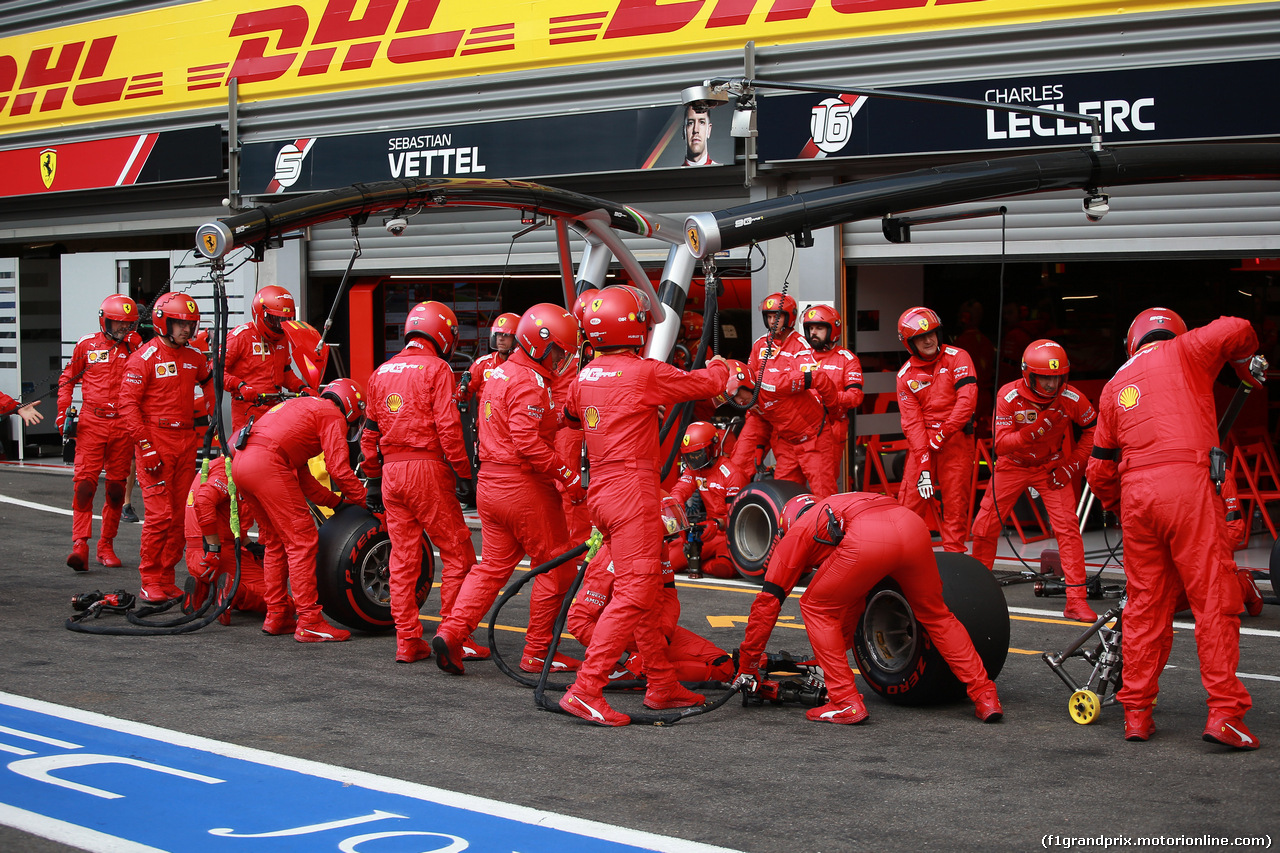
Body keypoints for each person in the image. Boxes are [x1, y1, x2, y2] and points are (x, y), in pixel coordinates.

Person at [1086, 307, 1264, 749]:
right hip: (1188, 486)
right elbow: (1238, 328)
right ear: (1173, 331)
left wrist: (1121, 506)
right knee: (1213, 601)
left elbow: (1098, 472)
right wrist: (1244, 366)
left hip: (1137, 499)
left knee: (1145, 610)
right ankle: (1225, 712)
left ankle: (1136, 715)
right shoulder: (1186, 350)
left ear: (1133, 341)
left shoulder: (1112, 388)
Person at [558, 285, 730, 726]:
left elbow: (572, 419)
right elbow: (705, 384)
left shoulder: (584, 376)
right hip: (634, 494)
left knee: (646, 592)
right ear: (633, 325)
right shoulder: (643, 373)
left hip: (603, 492)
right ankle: (586, 689)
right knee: (636, 594)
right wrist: (725, 367)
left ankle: (661, 682)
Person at [733, 493, 1003, 725]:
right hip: (910, 523)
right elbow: (853, 602)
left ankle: (844, 700)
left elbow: (766, 607)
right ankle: (985, 695)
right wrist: (825, 661)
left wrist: (748, 664)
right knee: (937, 614)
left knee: (816, 607)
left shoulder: (796, 533)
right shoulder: (833, 504)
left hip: (868, 535)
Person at [432, 304, 586, 676]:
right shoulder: (530, 382)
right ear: (540, 345)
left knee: (492, 569)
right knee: (556, 565)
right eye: (559, 351)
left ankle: (451, 631)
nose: (561, 358)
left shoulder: (498, 373)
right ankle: (537, 652)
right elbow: (528, 443)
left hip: (491, 486)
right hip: (523, 488)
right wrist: (569, 476)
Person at [361, 301, 478, 663]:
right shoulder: (438, 369)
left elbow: (369, 433)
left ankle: (407, 641)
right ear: (441, 332)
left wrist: (373, 479)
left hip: (391, 474)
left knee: (403, 558)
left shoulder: (380, 372)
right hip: (426, 469)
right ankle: (453, 634)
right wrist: (464, 474)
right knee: (459, 553)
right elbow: (448, 428)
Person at [970, 339, 1098, 623]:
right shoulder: (1008, 395)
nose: (1052, 385)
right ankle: (976, 594)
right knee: (984, 527)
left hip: (1050, 467)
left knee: (1068, 529)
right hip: (1012, 465)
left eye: (1056, 378)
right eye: (1045, 378)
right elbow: (1000, 446)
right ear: (1029, 374)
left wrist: (1071, 466)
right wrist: (1036, 430)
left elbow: (1094, 430)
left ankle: (1076, 600)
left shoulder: (1072, 397)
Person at [231, 379, 368, 642]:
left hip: (243, 462)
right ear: (351, 405)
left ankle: (278, 614)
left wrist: (337, 503)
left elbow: (304, 477)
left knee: (274, 542)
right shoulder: (332, 415)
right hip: (268, 463)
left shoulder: (303, 407)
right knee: (302, 540)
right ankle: (309, 620)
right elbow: (339, 470)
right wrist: (365, 500)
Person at [568, 496, 734, 684]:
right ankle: (622, 669)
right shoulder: (609, 558)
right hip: (624, 639)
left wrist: (664, 634)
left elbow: (669, 594)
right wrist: (625, 657)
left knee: (722, 662)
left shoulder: (659, 546)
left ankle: (638, 670)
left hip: (653, 630)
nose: (669, 538)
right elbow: (578, 621)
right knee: (720, 672)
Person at [118, 292, 212, 603]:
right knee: (159, 516)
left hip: (186, 443)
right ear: (163, 322)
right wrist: (144, 445)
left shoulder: (194, 356)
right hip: (155, 442)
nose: (186, 330)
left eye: (189, 324)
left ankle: (167, 576)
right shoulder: (144, 358)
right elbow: (127, 405)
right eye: (179, 324)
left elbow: (209, 379)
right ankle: (149, 578)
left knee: (179, 516)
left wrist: (215, 412)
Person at [56, 294, 142, 571]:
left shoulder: (136, 345)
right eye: (118, 323)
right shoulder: (87, 344)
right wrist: (62, 412)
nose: (123, 329)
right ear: (105, 320)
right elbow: (67, 379)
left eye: (128, 324)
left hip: (123, 425)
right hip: (92, 423)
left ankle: (106, 545)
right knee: (84, 486)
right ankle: (79, 544)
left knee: (117, 490)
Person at [736, 292, 838, 497]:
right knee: (739, 466)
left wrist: (832, 411)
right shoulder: (759, 345)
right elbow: (748, 378)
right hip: (764, 414)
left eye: (778, 316)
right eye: (770, 316)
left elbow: (811, 382)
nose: (773, 321)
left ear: (789, 317)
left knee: (822, 490)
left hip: (797, 420)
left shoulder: (801, 345)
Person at [895, 306, 978, 553]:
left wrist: (943, 434)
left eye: (931, 333)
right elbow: (912, 423)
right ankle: (905, 560)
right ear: (911, 343)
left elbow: (967, 402)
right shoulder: (904, 375)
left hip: (955, 439)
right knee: (909, 506)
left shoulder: (958, 356)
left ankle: (955, 564)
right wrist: (923, 465)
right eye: (920, 337)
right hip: (923, 444)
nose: (928, 339)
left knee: (955, 506)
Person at [183, 457, 269, 624]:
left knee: (255, 565)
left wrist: (249, 546)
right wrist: (214, 549)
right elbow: (204, 500)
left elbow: (228, 517)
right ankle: (233, 593)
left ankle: (202, 589)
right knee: (280, 601)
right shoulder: (227, 470)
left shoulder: (216, 465)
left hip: (200, 556)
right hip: (217, 555)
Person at [224, 285, 310, 433]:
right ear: (260, 314)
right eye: (275, 320)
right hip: (247, 413)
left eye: (284, 321)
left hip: (274, 411)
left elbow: (285, 372)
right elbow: (215, 369)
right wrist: (240, 385)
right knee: (248, 455)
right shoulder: (240, 336)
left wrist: (303, 388)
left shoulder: (282, 339)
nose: (279, 326)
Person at [667, 421, 748, 579]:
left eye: (698, 454)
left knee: (723, 569)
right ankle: (699, 559)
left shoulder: (733, 474)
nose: (695, 459)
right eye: (690, 456)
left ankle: (702, 563)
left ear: (713, 448)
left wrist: (718, 523)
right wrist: (679, 519)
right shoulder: (694, 470)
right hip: (705, 533)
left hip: (728, 534)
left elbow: (738, 518)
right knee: (669, 563)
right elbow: (679, 491)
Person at [803, 304, 864, 491]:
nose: (814, 333)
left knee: (823, 484)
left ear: (832, 330)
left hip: (832, 427)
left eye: (819, 328)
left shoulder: (847, 359)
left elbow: (855, 397)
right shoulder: (799, 357)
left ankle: (823, 519)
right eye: (811, 328)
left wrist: (826, 398)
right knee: (790, 484)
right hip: (800, 428)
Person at [456, 312, 520, 405]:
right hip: (485, 417)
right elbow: (460, 395)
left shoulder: (523, 366)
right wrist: (463, 390)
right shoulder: (483, 364)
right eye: (498, 334)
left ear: (516, 338)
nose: (500, 339)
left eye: (505, 335)